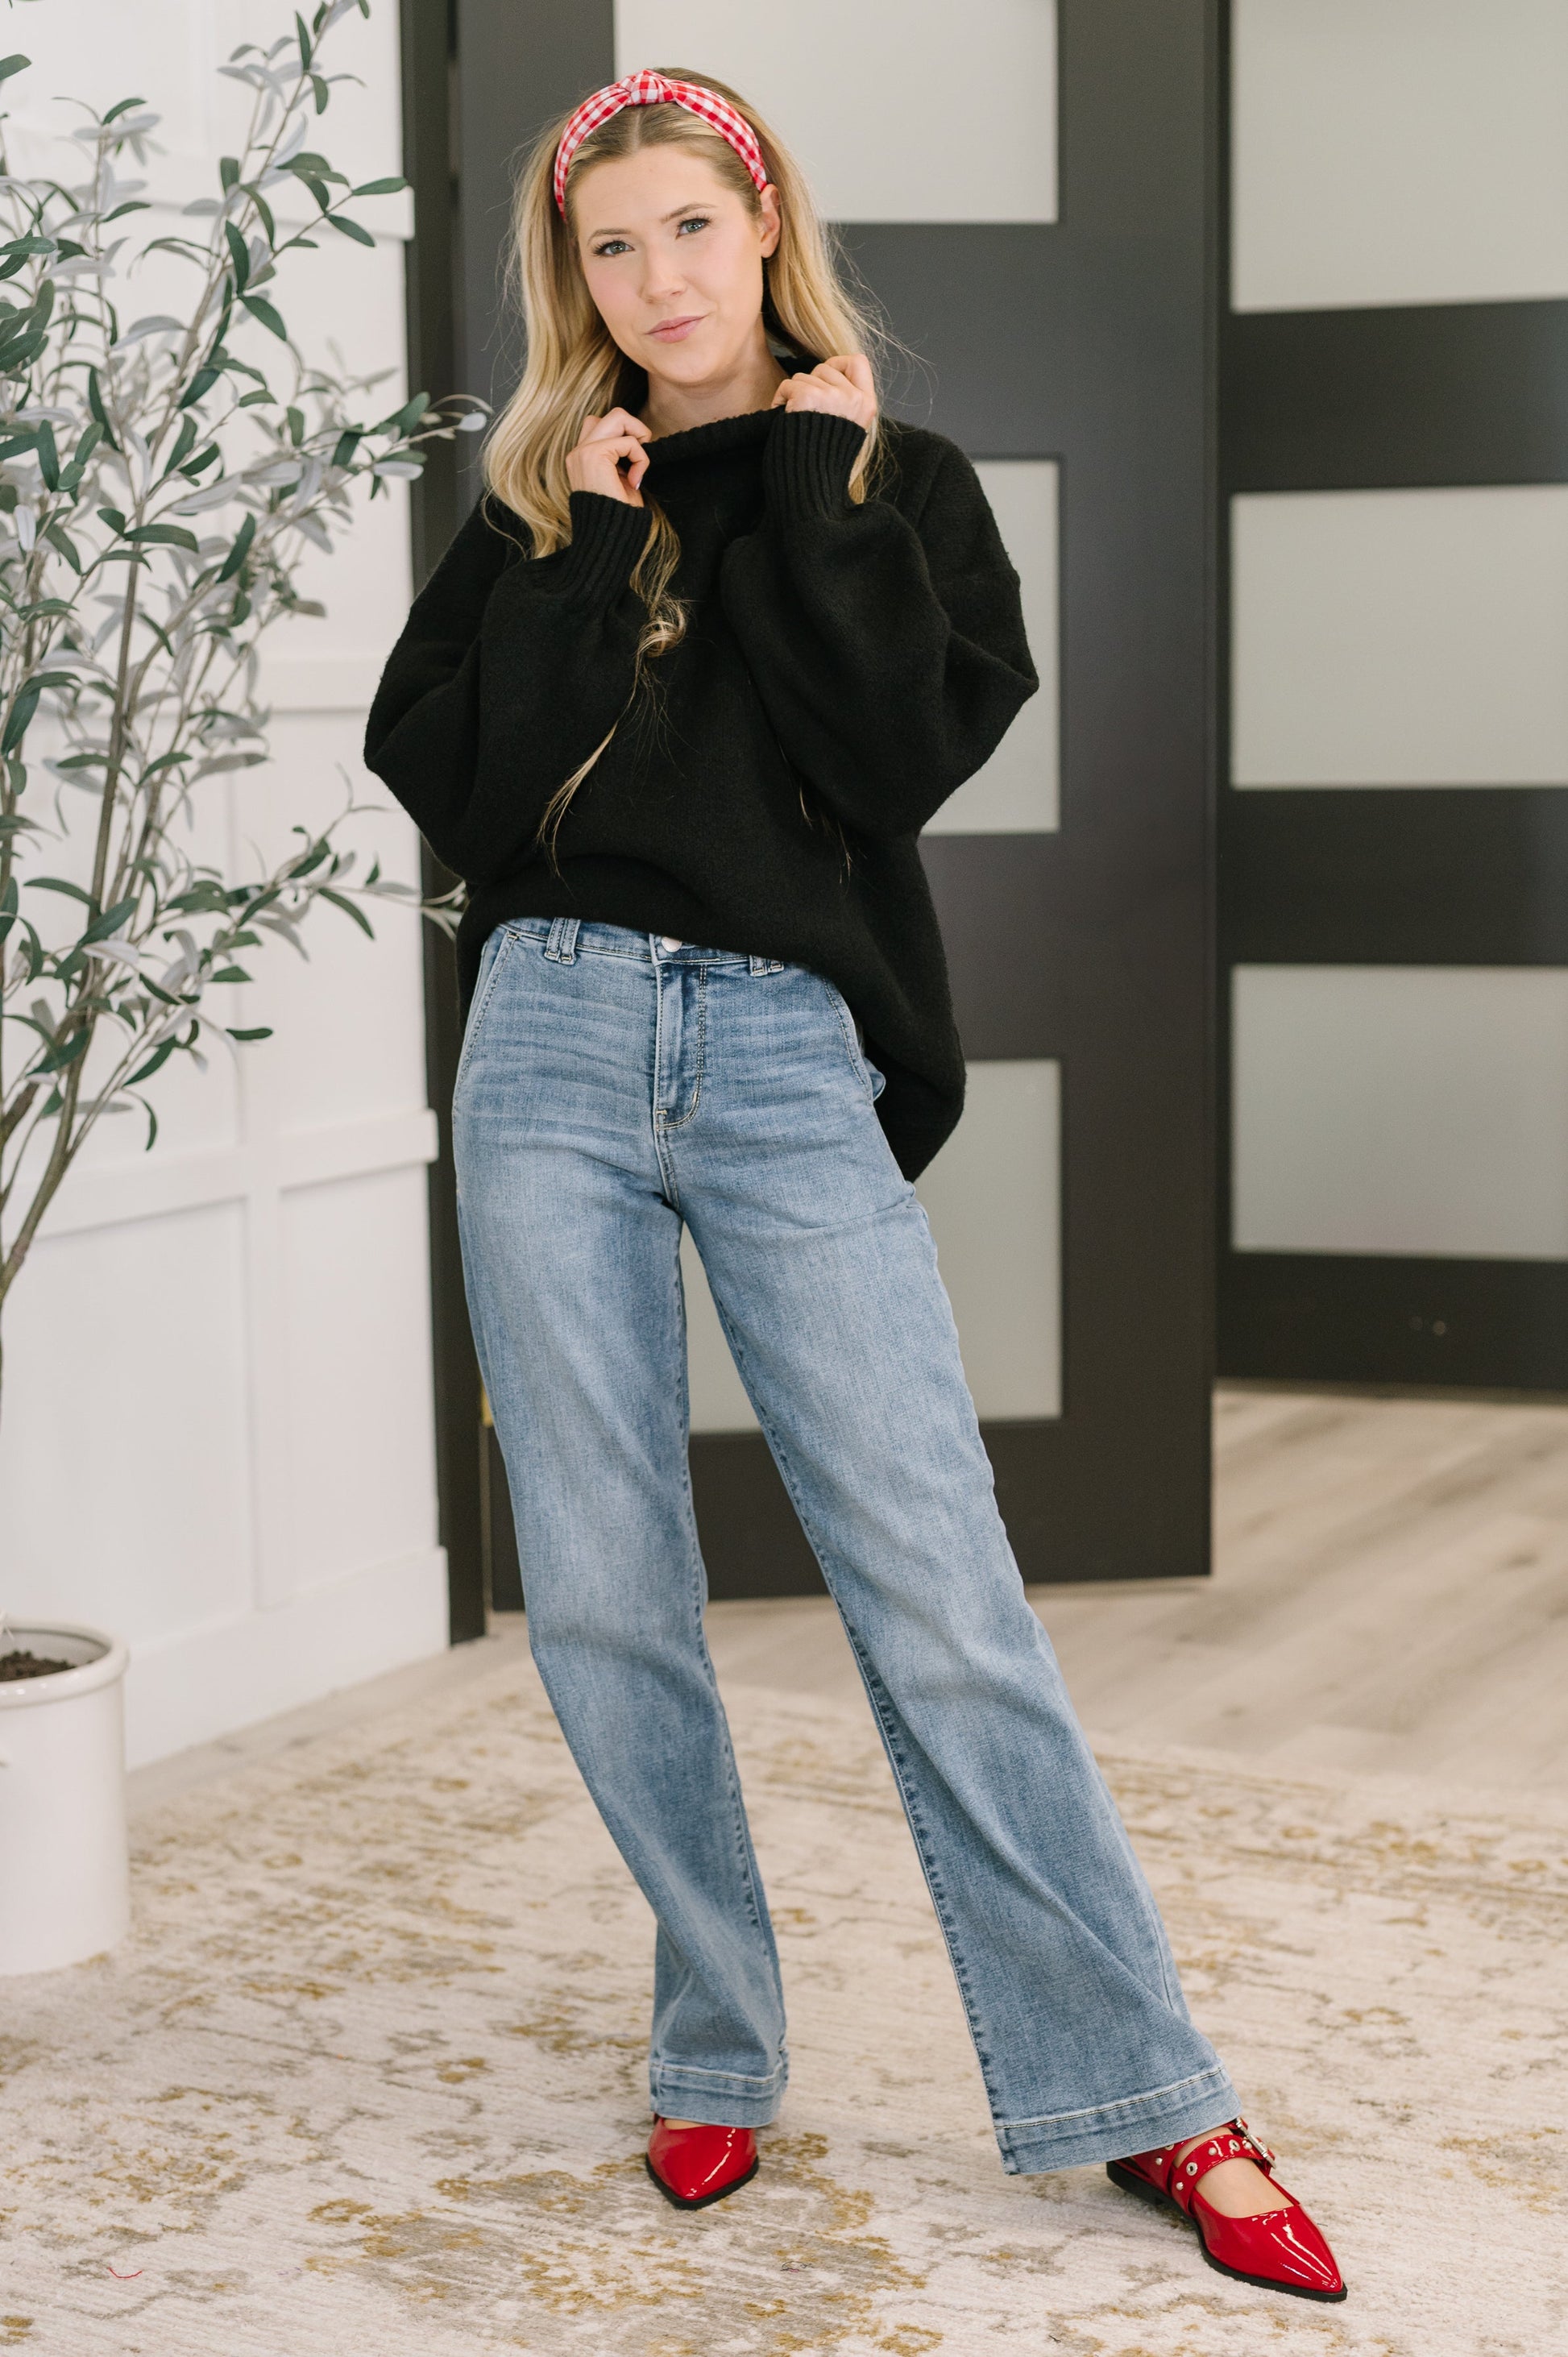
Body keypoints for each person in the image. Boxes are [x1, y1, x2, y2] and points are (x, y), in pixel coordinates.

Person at [364, 66, 1346, 2304]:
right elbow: (479, 802)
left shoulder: (889, 482)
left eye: (687, 232)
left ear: (760, 223)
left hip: (789, 1055)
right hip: (548, 1052)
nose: (655, 280)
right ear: (575, 282)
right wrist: (593, 538)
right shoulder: (535, 503)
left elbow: (896, 752)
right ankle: (714, 2032)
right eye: (609, 250)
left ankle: (1150, 2100)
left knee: (936, 1587)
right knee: (605, 1588)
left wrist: (800, 482)